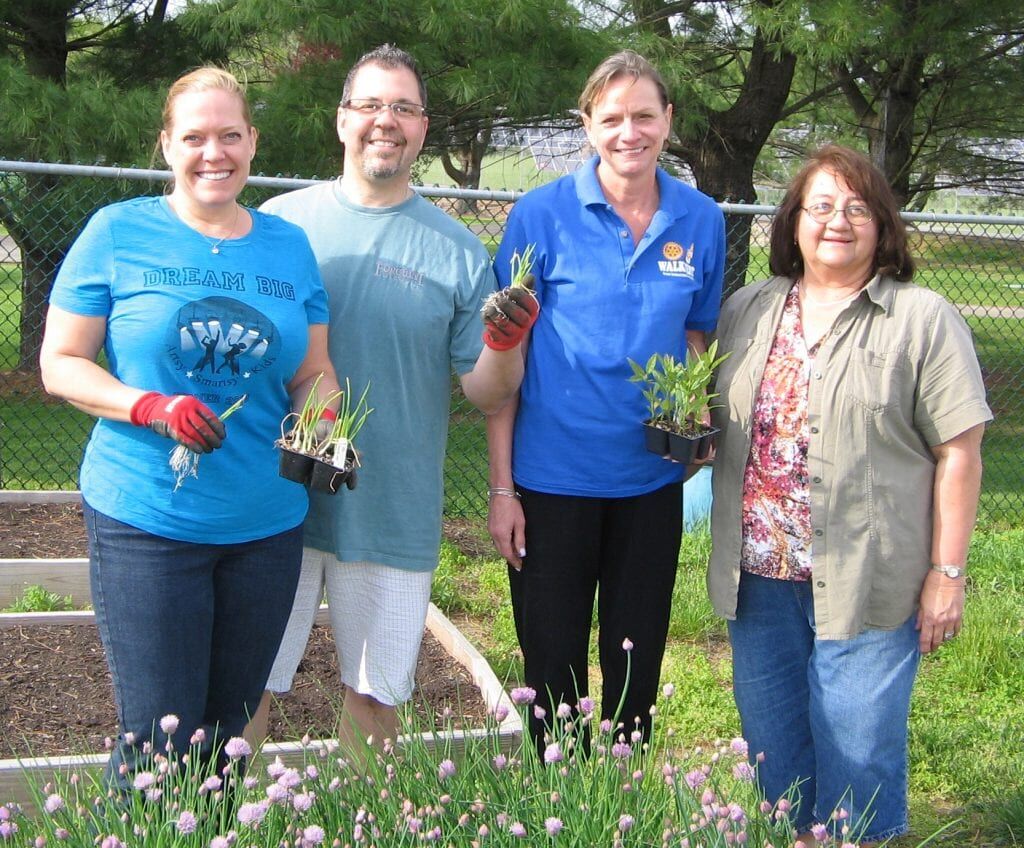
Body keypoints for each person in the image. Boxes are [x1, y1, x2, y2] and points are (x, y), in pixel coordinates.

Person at [39, 67, 339, 789]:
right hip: (149, 517)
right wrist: (152, 407)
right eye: (196, 137)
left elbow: (312, 372)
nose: (215, 153)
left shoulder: (287, 246)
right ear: (167, 145)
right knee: (157, 736)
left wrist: (328, 429)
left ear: (252, 142)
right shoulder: (118, 232)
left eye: (230, 135)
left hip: (265, 525)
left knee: (227, 737)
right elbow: (61, 362)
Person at [250, 44, 531, 753]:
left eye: (404, 107)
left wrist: (505, 344)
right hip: (270, 500)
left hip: (392, 505)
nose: (387, 121)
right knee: (244, 682)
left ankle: (360, 825)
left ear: (424, 128)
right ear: (342, 120)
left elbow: (485, 390)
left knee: (375, 696)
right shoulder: (276, 226)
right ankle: (224, 824)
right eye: (371, 104)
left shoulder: (459, 251)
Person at [708, 144, 991, 845]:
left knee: (858, 758)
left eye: (858, 208)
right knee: (776, 766)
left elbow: (959, 452)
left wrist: (946, 575)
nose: (839, 221)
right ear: (794, 222)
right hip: (760, 580)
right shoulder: (747, 309)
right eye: (823, 205)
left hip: (871, 580)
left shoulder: (921, 318)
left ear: (883, 227)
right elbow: (716, 417)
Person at [487, 50, 726, 748]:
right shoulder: (541, 216)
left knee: (636, 658)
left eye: (645, 116)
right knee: (551, 659)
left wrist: (696, 409)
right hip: (551, 479)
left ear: (667, 121)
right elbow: (507, 362)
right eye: (612, 117)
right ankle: (556, 795)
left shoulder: (700, 219)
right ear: (587, 125)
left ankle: (622, 792)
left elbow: (694, 334)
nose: (630, 132)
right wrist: (503, 489)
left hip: (650, 479)